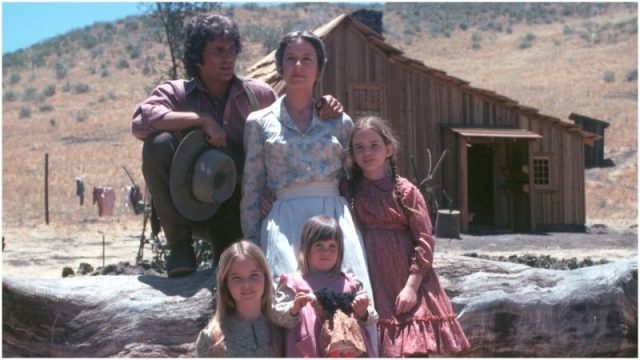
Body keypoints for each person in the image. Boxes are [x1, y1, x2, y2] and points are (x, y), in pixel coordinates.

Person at [131, 13, 342, 277]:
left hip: (238, 208)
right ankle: (180, 247)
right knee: (156, 143)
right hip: (187, 205)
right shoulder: (177, 93)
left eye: (232, 49)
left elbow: (290, 128)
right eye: (218, 50)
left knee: (231, 279)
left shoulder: (258, 95)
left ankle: (228, 257)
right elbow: (140, 121)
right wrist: (202, 120)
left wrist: (323, 104)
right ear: (198, 56)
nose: (228, 57)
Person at [344, 116, 471, 357]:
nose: (367, 152)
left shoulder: (405, 191)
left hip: (406, 279)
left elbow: (424, 240)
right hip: (371, 279)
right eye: (359, 147)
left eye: (374, 145)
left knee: (413, 347)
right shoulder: (350, 189)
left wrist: (411, 287)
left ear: (389, 149)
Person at [271, 215, 378, 357]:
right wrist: (294, 309)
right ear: (306, 248)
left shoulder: (350, 283)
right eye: (319, 246)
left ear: (340, 251)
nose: (326, 252)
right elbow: (277, 315)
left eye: (332, 246)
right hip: (309, 349)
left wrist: (363, 312)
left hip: (346, 350)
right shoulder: (293, 283)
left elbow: (372, 317)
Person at [195, 240, 283, 357]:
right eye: (236, 278)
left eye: (254, 275)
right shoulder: (212, 339)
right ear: (225, 283)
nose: (246, 284)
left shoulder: (281, 327)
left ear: (266, 277)